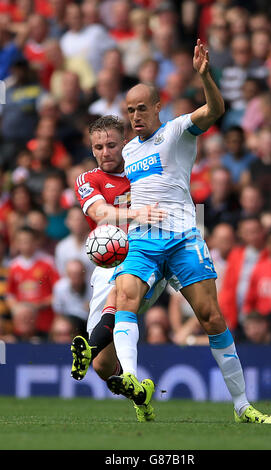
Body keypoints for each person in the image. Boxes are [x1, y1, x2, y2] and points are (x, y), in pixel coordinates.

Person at [107, 40, 271, 424]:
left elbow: (216, 110)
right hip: (144, 238)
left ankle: (241, 407)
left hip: (184, 236)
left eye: (141, 108)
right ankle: (133, 381)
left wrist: (205, 75)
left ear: (157, 106)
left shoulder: (178, 130)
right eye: (129, 110)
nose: (135, 116)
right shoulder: (129, 151)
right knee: (126, 298)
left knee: (211, 318)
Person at [70, 115, 166, 422]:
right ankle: (139, 393)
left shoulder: (143, 174)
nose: (105, 152)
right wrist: (138, 212)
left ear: (124, 143)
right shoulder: (88, 179)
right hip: (105, 264)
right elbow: (99, 213)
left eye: (111, 144)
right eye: (98, 146)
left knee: (121, 288)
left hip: (145, 256)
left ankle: (90, 344)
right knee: (101, 366)